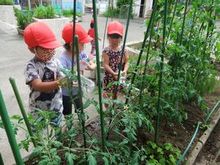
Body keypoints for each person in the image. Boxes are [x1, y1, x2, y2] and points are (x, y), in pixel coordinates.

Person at [24, 22, 66, 125]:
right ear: (32, 49)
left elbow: (63, 76)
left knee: (58, 131)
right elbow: (37, 85)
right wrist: (58, 83)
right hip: (38, 110)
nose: (50, 51)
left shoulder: (56, 62)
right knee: (38, 134)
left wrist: (67, 80)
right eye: (45, 49)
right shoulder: (31, 66)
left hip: (56, 106)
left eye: (51, 48)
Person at [59, 22, 95, 116]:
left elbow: (87, 59)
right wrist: (73, 74)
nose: (84, 47)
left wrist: (90, 64)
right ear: (72, 44)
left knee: (80, 107)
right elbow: (62, 77)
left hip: (78, 89)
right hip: (66, 92)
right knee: (67, 111)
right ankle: (69, 125)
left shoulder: (81, 53)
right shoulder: (63, 59)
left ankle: (81, 121)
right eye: (82, 44)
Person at [102, 21, 129, 101]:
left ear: (121, 37)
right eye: (112, 37)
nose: (114, 39)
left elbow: (127, 61)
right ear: (108, 37)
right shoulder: (106, 50)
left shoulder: (124, 49)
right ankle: (107, 109)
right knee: (106, 95)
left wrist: (125, 71)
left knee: (116, 93)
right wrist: (113, 73)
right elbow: (105, 64)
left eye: (117, 37)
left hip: (119, 76)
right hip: (109, 76)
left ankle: (113, 107)